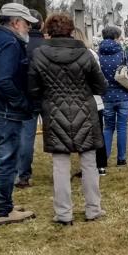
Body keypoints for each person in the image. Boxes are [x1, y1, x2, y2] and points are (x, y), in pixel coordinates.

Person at [28, 13, 107, 225]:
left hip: (54, 112)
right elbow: (101, 86)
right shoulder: (86, 54)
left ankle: (63, 213)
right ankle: (93, 209)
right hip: (84, 111)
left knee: (60, 165)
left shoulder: (39, 55)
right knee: (89, 163)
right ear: (71, 30)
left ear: (48, 31)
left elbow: (33, 88)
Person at [0, 3, 37, 226]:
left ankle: (0, 203)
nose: (29, 28)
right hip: (4, 112)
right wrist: (21, 102)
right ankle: (2, 210)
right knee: (6, 161)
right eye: (27, 23)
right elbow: (2, 80)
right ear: (16, 22)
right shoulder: (10, 43)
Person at [98, 26, 128, 166]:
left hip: (106, 96)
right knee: (122, 127)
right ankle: (121, 159)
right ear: (117, 37)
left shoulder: (97, 55)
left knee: (108, 127)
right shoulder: (123, 54)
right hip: (124, 95)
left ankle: (104, 157)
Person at [15, 9, 44, 188]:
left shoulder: (19, 45)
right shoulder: (46, 45)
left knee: (26, 137)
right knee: (57, 134)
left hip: (26, 96)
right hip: (47, 96)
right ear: (40, 24)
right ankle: (60, 169)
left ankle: (23, 175)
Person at [73, 27, 108, 176]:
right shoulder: (91, 54)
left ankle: (97, 165)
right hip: (93, 100)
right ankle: (98, 165)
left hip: (89, 99)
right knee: (96, 133)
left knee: (91, 134)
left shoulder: (88, 54)